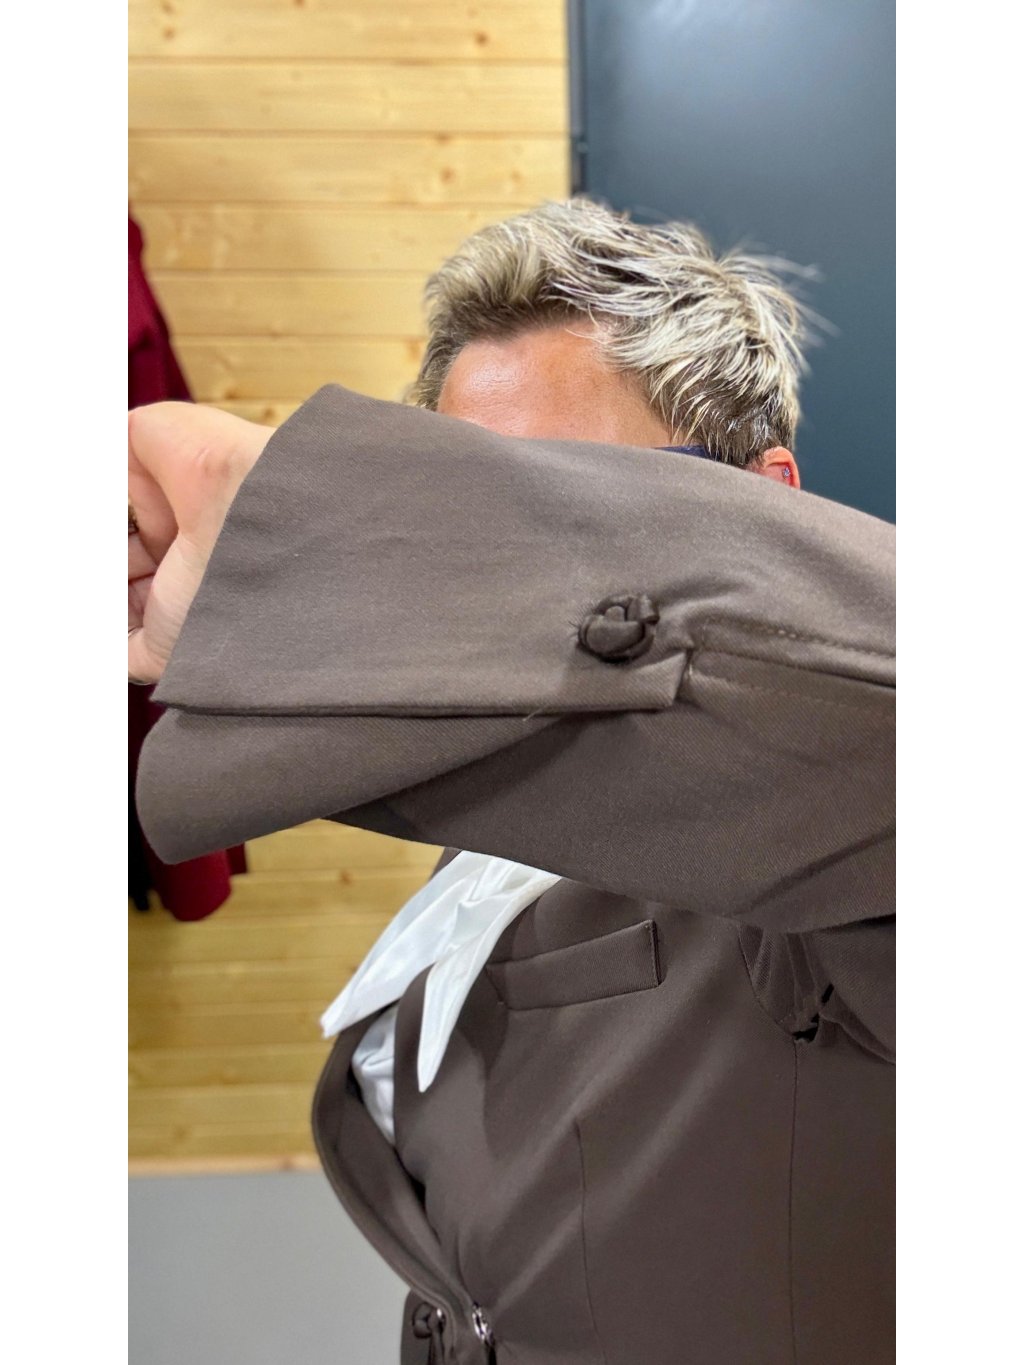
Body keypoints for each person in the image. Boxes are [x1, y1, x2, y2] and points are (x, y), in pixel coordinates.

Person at [129, 199, 895, 1364]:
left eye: (563, 504)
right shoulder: (494, 802)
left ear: (766, 506)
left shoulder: (826, 835)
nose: (489, 582)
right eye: (465, 513)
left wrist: (303, 545)